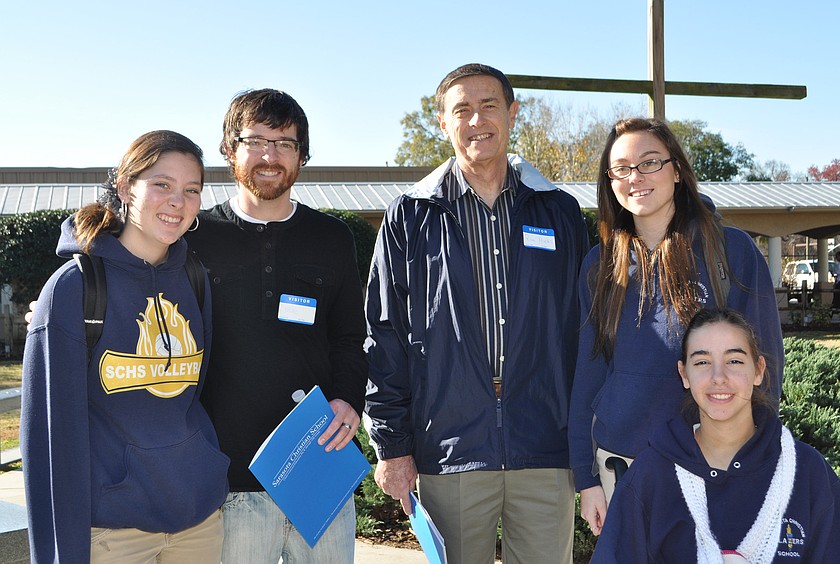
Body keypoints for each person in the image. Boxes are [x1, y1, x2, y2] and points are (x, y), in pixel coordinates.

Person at [365, 63, 589, 564]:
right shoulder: (409, 215)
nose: (476, 120)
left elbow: (582, 330)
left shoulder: (560, 212)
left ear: (512, 113)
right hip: (450, 449)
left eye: (489, 106)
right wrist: (392, 446)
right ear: (443, 122)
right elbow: (385, 336)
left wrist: (585, 438)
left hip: (544, 446)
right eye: (461, 109)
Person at [569, 117, 784, 538]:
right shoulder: (599, 265)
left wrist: (753, 460)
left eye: (650, 162)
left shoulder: (731, 251)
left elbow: (765, 365)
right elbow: (588, 371)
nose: (635, 177)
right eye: (621, 168)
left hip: (711, 464)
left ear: (678, 170)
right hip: (620, 469)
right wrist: (586, 477)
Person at [21, 130, 229, 563]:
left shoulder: (194, 279)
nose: (177, 201)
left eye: (192, 190)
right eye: (162, 184)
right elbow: (49, 437)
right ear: (124, 187)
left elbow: (197, 393)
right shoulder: (74, 288)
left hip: (198, 522)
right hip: (112, 533)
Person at [185, 89, 367, 563]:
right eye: (256, 141)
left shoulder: (332, 237)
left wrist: (348, 399)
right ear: (230, 150)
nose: (270, 156)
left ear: (302, 155)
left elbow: (350, 337)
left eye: (285, 143)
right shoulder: (194, 237)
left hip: (318, 468)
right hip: (229, 480)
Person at [591, 307, 840, 562]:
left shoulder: (808, 472)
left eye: (734, 361)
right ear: (684, 374)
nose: (718, 377)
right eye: (702, 362)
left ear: (758, 370)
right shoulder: (651, 474)